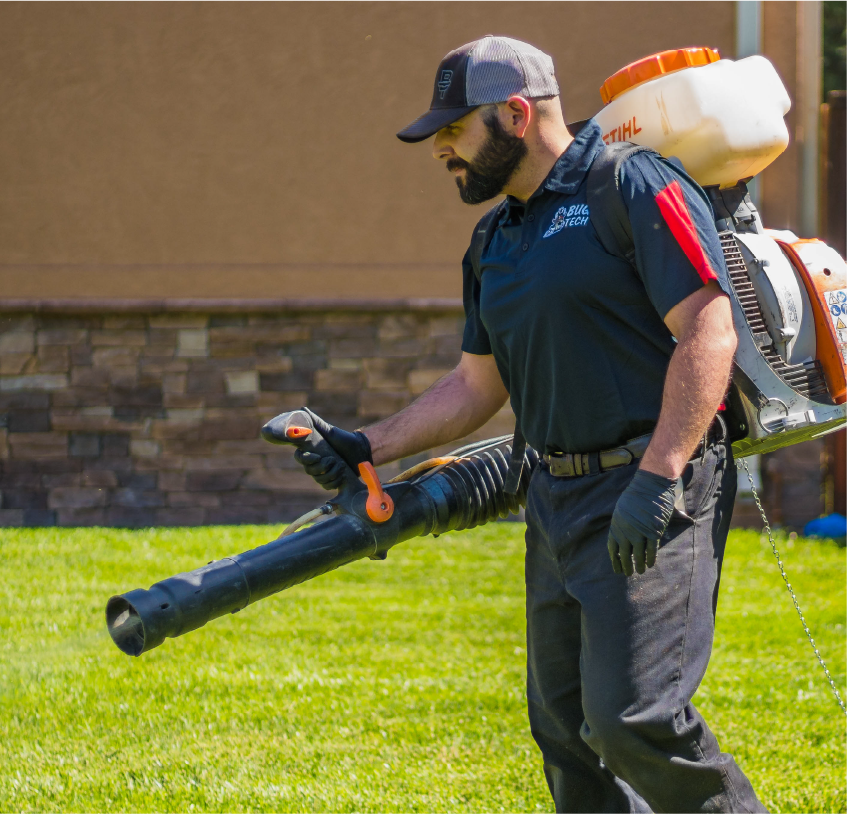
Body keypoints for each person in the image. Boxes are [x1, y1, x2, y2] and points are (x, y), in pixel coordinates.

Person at [289, 36, 768, 814]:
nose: (442, 148)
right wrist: (365, 445)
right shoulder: (494, 239)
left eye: (455, 129)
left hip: (650, 488)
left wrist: (659, 474)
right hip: (554, 498)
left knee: (632, 719)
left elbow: (708, 331)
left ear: (516, 113)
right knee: (567, 731)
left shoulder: (629, 184)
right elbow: (477, 385)